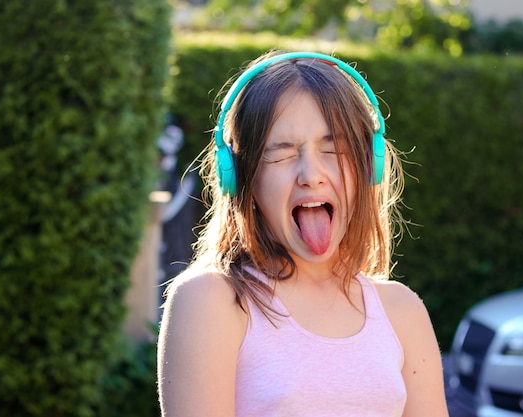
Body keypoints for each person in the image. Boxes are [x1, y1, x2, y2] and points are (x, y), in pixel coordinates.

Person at [157, 50, 449, 417]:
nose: (311, 174)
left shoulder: (402, 311)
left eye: (335, 148)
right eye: (280, 154)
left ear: (368, 167)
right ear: (242, 179)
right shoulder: (214, 302)